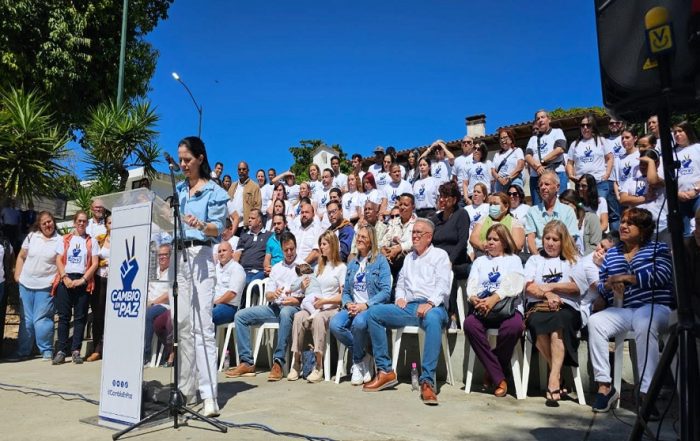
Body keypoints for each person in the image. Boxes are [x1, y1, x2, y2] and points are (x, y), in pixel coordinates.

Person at [589, 208, 675, 416]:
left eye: (631, 223)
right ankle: (605, 386)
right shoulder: (613, 254)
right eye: (623, 221)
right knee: (595, 322)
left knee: (645, 321)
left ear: (644, 230)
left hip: (656, 307)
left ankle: (647, 394)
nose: (624, 225)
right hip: (625, 310)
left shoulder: (658, 248)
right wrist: (609, 286)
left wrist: (627, 278)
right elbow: (603, 282)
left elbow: (662, 275)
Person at [363, 219, 451, 406]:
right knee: (374, 313)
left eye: (419, 232)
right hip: (409, 307)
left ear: (429, 237)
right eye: (413, 232)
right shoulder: (409, 258)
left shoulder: (440, 255)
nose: (415, 235)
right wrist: (400, 297)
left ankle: (427, 381)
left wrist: (430, 303)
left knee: (433, 318)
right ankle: (386, 371)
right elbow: (401, 282)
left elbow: (444, 285)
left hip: (434, 307)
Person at [174, 136, 229, 417]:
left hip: (202, 256)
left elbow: (218, 228)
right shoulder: (179, 190)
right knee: (183, 325)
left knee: (202, 326)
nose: (183, 164)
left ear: (200, 159)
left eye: (187, 159)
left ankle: (210, 395)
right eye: (180, 159)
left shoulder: (214, 191)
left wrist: (201, 224)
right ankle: (187, 387)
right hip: (179, 256)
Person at [226, 232, 304, 381]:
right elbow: (268, 294)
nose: (289, 253)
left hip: (293, 307)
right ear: (281, 249)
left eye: (292, 249)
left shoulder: (302, 266)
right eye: (286, 250)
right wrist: (273, 294)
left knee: (286, 313)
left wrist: (295, 300)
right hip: (275, 306)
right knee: (240, 316)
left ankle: (278, 362)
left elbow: (308, 295)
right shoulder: (276, 268)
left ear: (296, 247)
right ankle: (247, 361)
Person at [524, 220, 581, 407]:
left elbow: (578, 286)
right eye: (547, 238)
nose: (550, 243)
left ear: (562, 240)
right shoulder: (535, 260)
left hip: (566, 307)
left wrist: (553, 286)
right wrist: (547, 294)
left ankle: (553, 378)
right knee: (537, 324)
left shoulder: (572, 259)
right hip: (539, 306)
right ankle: (556, 377)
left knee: (559, 324)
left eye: (555, 239)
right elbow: (528, 286)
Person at [464, 224, 525, 397]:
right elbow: (472, 283)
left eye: (495, 239)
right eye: (489, 239)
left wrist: (494, 298)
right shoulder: (479, 261)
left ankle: (493, 371)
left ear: (504, 242)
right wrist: (473, 298)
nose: (490, 242)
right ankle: (499, 377)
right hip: (482, 306)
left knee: (514, 328)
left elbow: (515, 283)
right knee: (470, 325)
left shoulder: (514, 260)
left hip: (506, 306)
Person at [330, 225, 391, 384]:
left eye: (364, 237)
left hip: (369, 308)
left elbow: (385, 292)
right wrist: (348, 303)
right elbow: (347, 291)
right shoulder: (352, 263)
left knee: (359, 323)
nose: (359, 239)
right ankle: (364, 354)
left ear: (371, 241)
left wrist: (366, 305)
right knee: (335, 324)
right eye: (358, 236)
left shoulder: (380, 261)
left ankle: (357, 362)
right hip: (353, 306)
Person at [289, 232, 347, 382]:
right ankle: (296, 362)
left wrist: (324, 301)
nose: (321, 247)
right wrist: (302, 286)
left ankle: (318, 366)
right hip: (315, 306)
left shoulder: (341, 268)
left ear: (332, 245)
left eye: (324, 244)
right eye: (320, 244)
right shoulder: (317, 268)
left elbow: (343, 296)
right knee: (298, 316)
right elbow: (308, 290)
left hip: (331, 308)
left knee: (319, 318)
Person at [52, 210, 99, 366]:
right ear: (74, 222)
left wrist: (83, 279)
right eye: (79, 220)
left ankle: (76, 351)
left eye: (84, 221)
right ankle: (61, 351)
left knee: (80, 318)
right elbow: (58, 259)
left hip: (82, 280)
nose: (81, 223)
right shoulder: (65, 239)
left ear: (87, 223)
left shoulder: (92, 241)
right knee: (64, 317)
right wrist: (64, 277)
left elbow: (95, 263)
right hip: (66, 279)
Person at [14, 211, 61, 361]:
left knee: (42, 319)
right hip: (26, 284)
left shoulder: (60, 240)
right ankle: (23, 351)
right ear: (39, 226)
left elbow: (61, 263)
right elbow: (21, 256)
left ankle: (46, 350)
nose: (48, 225)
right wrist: (17, 275)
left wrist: (57, 280)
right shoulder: (32, 237)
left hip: (45, 286)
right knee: (26, 319)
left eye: (50, 221)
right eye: (44, 223)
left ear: (54, 222)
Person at [430, 181, 470, 323]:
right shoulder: (436, 218)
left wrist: (449, 260)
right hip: (437, 262)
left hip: (457, 262)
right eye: (441, 195)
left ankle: (451, 313)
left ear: (454, 199)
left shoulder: (462, 214)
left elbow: (462, 242)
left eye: (446, 196)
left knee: (447, 271)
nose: (442, 199)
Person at [566, 114, 614, 226]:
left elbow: (610, 158)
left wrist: (607, 174)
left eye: (588, 125)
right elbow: (569, 163)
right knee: (582, 210)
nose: (585, 128)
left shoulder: (601, 140)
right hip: (582, 185)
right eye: (582, 125)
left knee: (600, 210)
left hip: (599, 183)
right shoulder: (574, 144)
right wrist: (571, 175)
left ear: (593, 126)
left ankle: (601, 234)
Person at [524, 171, 579, 254]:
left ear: (557, 187)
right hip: (539, 254)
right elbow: (531, 238)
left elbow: (571, 238)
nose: (543, 187)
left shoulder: (568, 211)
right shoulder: (532, 211)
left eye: (547, 184)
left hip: (562, 255)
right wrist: (537, 258)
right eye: (540, 185)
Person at [620, 149, 669, 243]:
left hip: (659, 228)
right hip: (637, 229)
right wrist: (645, 198)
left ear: (657, 164)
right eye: (641, 163)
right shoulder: (631, 180)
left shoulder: (661, 180)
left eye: (646, 163)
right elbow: (623, 199)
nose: (642, 166)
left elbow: (652, 180)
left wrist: (651, 161)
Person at [525, 109, 568, 205]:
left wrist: (542, 161)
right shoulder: (533, 139)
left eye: (543, 117)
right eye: (538, 119)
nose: (540, 120)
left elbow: (560, 149)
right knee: (537, 208)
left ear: (549, 119)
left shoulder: (557, 132)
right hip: (536, 177)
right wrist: (537, 167)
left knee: (560, 205)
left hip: (557, 173)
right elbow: (528, 156)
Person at [86, 213, 111, 362]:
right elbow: (92, 258)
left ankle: (111, 348)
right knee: (98, 315)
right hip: (100, 279)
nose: (112, 225)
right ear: (106, 225)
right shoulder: (100, 240)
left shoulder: (125, 239)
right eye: (109, 222)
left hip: (117, 281)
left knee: (113, 316)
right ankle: (97, 349)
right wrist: (103, 262)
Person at [144, 244, 173, 365]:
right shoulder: (153, 272)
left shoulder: (173, 272)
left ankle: (146, 354)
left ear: (170, 256)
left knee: (149, 313)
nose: (161, 257)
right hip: (149, 303)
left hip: (164, 306)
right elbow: (146, 289)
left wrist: (152, 303)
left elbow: (168, 294)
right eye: (160, 255)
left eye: (165, 255)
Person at [470, 191, 525, 256]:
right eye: (491, 204)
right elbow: (473, 238)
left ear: (506, 206)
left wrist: (497, 248)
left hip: (506, 258)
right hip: (484, 256)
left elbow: (518, 245)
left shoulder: (515, 222)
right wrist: (483, 245)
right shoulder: (483, 220)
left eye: (496, 204)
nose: (492, 206)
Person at [380, 193, 417, 288]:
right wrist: (384, 249)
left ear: (413, 207)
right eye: (400, 204)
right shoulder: (393, 222)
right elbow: (385, 239)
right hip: (390, 255)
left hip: (408, 258)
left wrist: (398, 248)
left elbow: (413, 242)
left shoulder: (418, 223)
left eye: (406, 205)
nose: (402, 207)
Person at [672, 121, 700, 235]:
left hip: (698, 195)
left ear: (687, 131)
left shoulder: (698, 148)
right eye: (675, 132)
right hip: (680, 198)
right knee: (685, 233)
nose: (677, 134)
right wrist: (677, 193)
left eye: (680, 131)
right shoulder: (672, 153)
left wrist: (696, 190)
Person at [234, 209, 272, 287]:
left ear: (260, 221)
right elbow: (237, 255)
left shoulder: (269, 236)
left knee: (251, 283)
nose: (249, 220)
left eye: (252, 218)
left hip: (261, 271)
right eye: (249, 218)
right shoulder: (244, 236)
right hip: (244, 271)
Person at [212, 241, 246, 326]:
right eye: (219, 251)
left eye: (224, 250)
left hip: (229, 307)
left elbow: (232, 294)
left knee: (207, 316)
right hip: (213, 305)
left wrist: (215, 303)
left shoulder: (237, 269)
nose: (221, 253)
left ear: (232, 252)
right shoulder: (215, 268)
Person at [559, 190, 602, 256]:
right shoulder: (560, 222)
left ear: (575, 203)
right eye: (561, 205)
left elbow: (595, 245)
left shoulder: (592, 218)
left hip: (587, 260)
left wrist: (582, 260)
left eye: (566, 204)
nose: (563, 208)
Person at [228, 161, 262, 233]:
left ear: (248, 171)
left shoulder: (254, 187)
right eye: (239, 169)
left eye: (244, 169)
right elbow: (227, 204)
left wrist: (252, 223)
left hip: (245, 226)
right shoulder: (232, 186)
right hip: (231, 225)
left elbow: (257, 207)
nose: (241, 171)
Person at [492, 128, 525, 193]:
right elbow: (493, 171)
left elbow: (520, 165)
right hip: (500, 184)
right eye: (501, 138)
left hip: (514, 181)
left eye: (505, 137)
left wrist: (509, 178)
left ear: (511, 139)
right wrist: (499, 179)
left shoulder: (517, 150)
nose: (502, 140)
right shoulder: (497, 155)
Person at [464, 183, 490, 253]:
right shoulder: (466, 209)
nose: (475, 194)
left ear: (484, 196)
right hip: (468, 241)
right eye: (474, 191)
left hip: (482, 240)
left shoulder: (488, 207)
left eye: (478, 192)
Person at [452, 135, 475, 205]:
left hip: (473, 194)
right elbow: (454, 178)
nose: (466, 144)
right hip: (461, 196)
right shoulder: (457, 160)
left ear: (472, 145)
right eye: (464, 142)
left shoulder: (475, 157)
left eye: (468, 142)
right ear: (461, 145)